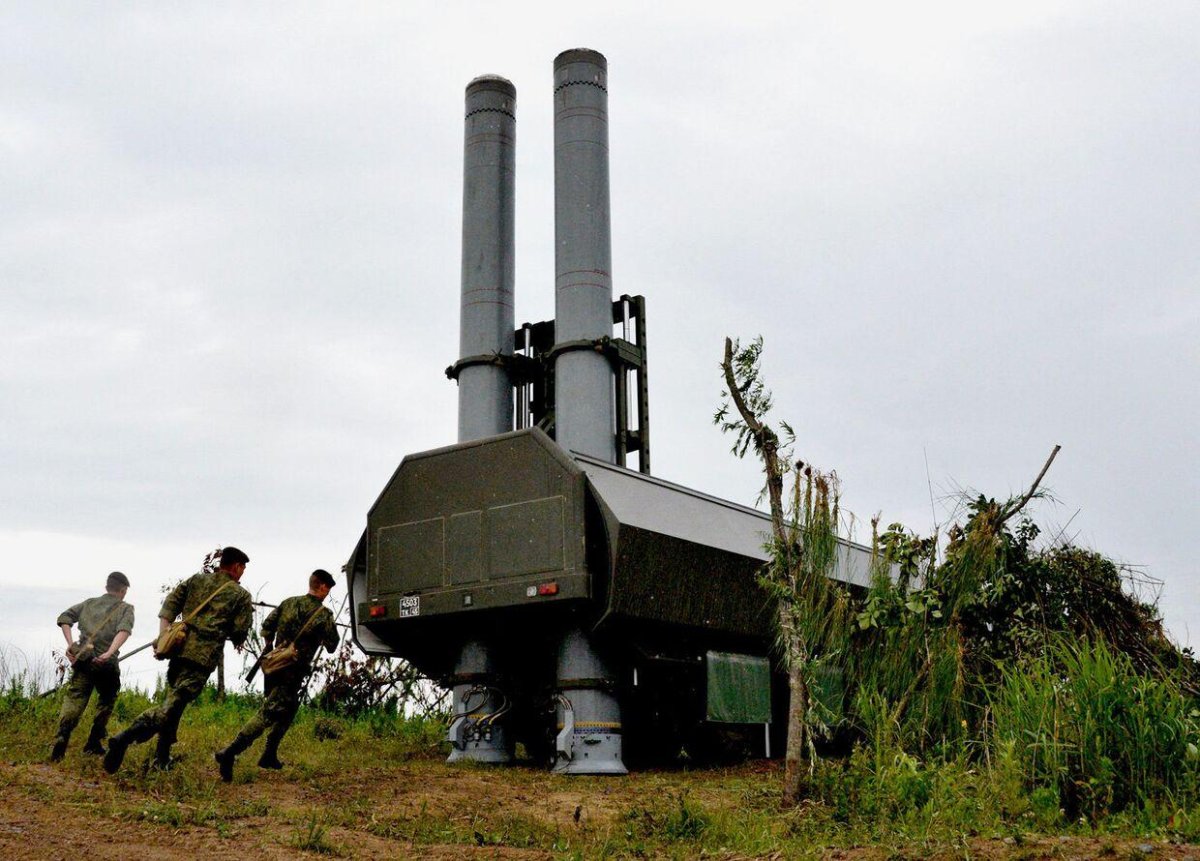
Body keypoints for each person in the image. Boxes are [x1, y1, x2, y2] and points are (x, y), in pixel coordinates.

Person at [104, 546, 253, 773]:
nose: (242, 573)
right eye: (242, 568)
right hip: (202, 658)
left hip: (179, 650)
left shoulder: (196, 580)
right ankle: (124, 737)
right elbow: (239, 633)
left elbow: (168, 609)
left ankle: (161, 758)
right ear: (236, 566)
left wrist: (165, 636)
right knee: (171, 708)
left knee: (174, 704)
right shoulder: (240, 595)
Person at [214, 569, 339, 781]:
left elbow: (266, 627)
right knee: (268, 713)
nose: (328, 593)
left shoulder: (288, 602)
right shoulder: (323, 615)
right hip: (293, 671)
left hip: (273, 667)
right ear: (323, 587)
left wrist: (272, 648)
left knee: (288, 710)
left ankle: (269, 755)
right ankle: (229, 752)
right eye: (328, 589)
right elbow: (332, 646)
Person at [50, 572, 135, 761]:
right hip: (106, 664)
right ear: (122, 590)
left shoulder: (89, 603)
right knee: (107, 699)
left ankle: (63, 734)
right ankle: (93, 742)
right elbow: (124, 631)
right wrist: (109, 652)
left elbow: (64, 618)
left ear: (107, 587)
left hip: (83, 660)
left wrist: (71, 644)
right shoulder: (126, 608)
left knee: (75, 697)